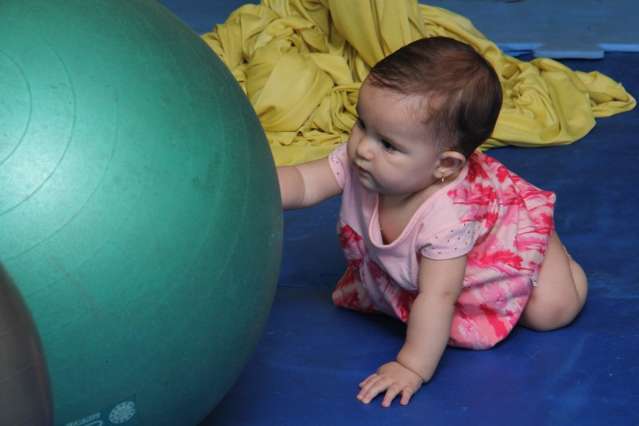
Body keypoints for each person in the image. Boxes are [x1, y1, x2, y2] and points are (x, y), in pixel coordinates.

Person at [277, 36, 588, 408]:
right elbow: (305, 182)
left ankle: (543, 240)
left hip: (496, 236)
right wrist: (252, 181)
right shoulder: (365, 161)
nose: (363, 148)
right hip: (432, 267)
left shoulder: (449, 216)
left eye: (388, 144)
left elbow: (438, 297)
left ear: (444, 166)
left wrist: (412, 366)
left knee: (552, 311)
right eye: (362, 123)